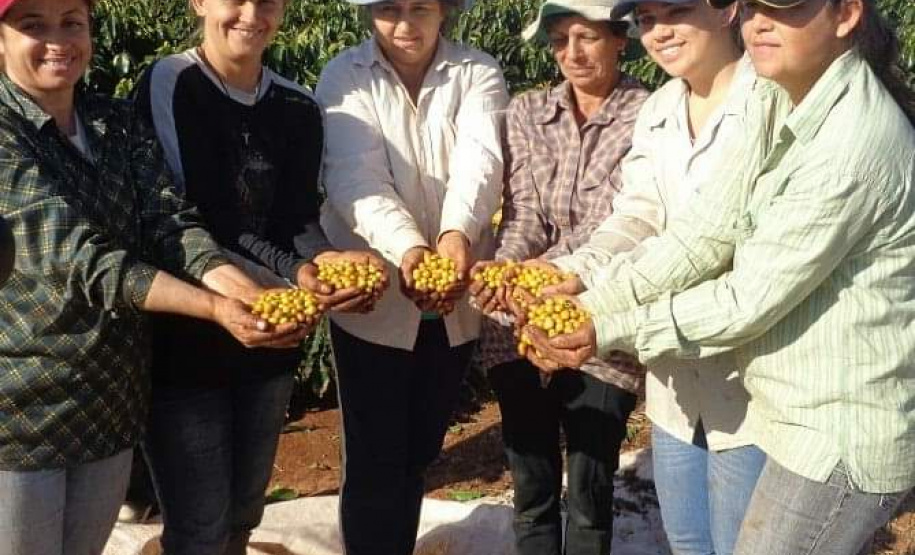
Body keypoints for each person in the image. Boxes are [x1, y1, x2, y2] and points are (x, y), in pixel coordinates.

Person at [523, 0, 915, 553]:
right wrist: (594, 302)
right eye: (751, 4)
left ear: (847, 13)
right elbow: (705, 231)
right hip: (791, 414)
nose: (758, 21)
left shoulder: (852, 145)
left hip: (839, 437)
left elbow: (746, 298)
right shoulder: (777, 96)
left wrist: (601, 327)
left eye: (784, 7)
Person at [0, 0, 308, 554]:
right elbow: (81, 257)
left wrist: (241, 292)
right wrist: (215, 309)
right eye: (32, 25)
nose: (58, 41)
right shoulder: (4, 131)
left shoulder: (111, 121)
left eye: (72, 22)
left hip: (109, 405)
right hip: (25, 413)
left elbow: (171, 221)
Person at [133, 0, 388, 554]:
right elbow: (193, 213)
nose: (252, 13)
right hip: (188, 347)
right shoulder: (174, 81)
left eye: (269, 0)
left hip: (271, 343)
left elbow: (298, 218)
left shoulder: (296, 106)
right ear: (199, 3)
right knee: (198, 524)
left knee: (245, 510)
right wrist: (299, 272)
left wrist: (327, 264)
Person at [525, 0, 767, 553]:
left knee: (742, 542)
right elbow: (636, 215)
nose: (660, 32)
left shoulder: (769, 100)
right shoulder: (659, 108)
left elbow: (723, 248)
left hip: (751, 378)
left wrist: (600, 310)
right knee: (686, 540)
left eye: (675, 11)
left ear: (728, 9)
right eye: (649, 19)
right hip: (675, 381)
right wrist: (570, 272)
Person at [315, 0, 508, 553]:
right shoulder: (344, 76)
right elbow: (354, 175)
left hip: (454, 294)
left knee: (421, 445)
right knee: (375, 456)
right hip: (374, 300)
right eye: (388, 8)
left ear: (445, 11)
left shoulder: (477, 72)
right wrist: (410, 248)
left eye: (420, 7)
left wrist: (455, 238)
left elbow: (481, 161)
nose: (404, 24)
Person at [468, 1, 647, 553]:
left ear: (621, 40)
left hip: (600, 318)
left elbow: (618, 223)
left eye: (587, 37)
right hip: (517, 318)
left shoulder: (650, 113)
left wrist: (539, 273)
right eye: (561, 40)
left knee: (592, 483)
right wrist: (507, 267)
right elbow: (523, 211)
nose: (572, 53)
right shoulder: (527, 112)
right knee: (531, 478)